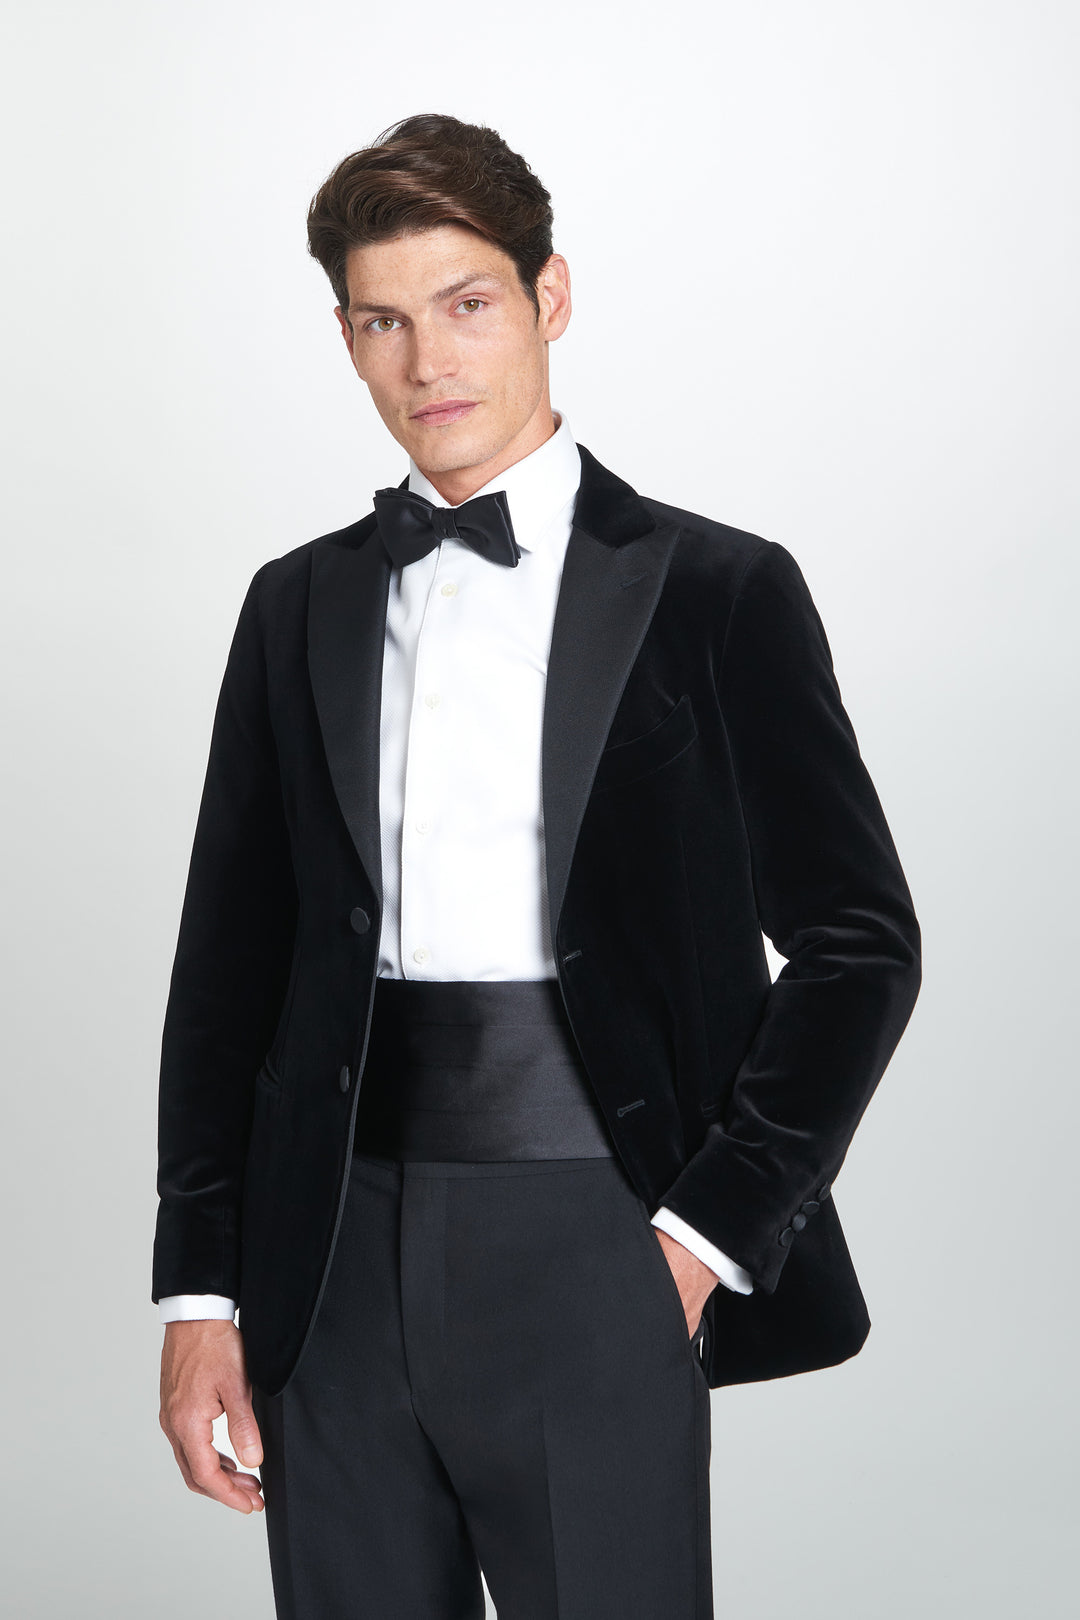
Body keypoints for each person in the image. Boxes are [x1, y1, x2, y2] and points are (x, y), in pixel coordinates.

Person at [154, 112, 921, 1619]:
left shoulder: (718, 590)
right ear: (346, 340)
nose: (427, 361)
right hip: (326, 1253)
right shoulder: (293, 605)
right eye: (383, 321)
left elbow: (859, 941)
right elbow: (224, 975)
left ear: (549, 296)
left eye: (466, 304)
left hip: (601, 1233)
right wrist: (199, 1291)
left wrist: (704, 1235)